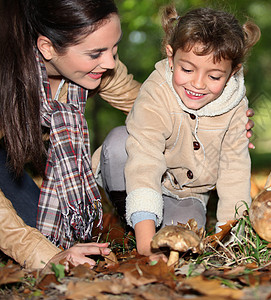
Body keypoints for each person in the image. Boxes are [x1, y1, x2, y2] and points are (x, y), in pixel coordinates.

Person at [0, 0, 254, 269]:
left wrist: (216, 123)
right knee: (34, 246)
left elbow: (148, 110)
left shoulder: (102, 67)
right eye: (96, 53)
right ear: (47, 48)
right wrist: (41, 254)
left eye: (114, 48)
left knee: (47, 232)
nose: (110, 62)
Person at [100, 5, 260, 258]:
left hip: (189, 193)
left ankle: (164, 220)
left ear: (233, 72)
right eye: (187, 70)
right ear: (170, 56)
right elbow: (145, 158)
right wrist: (145, 245)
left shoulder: (236, 106)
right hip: (139, 174)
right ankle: (137, 221)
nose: (197, 84)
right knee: (120, 141)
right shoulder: (156, 91)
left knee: (183, 243)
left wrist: (232, 239)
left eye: (215, 76)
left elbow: (235, 170)